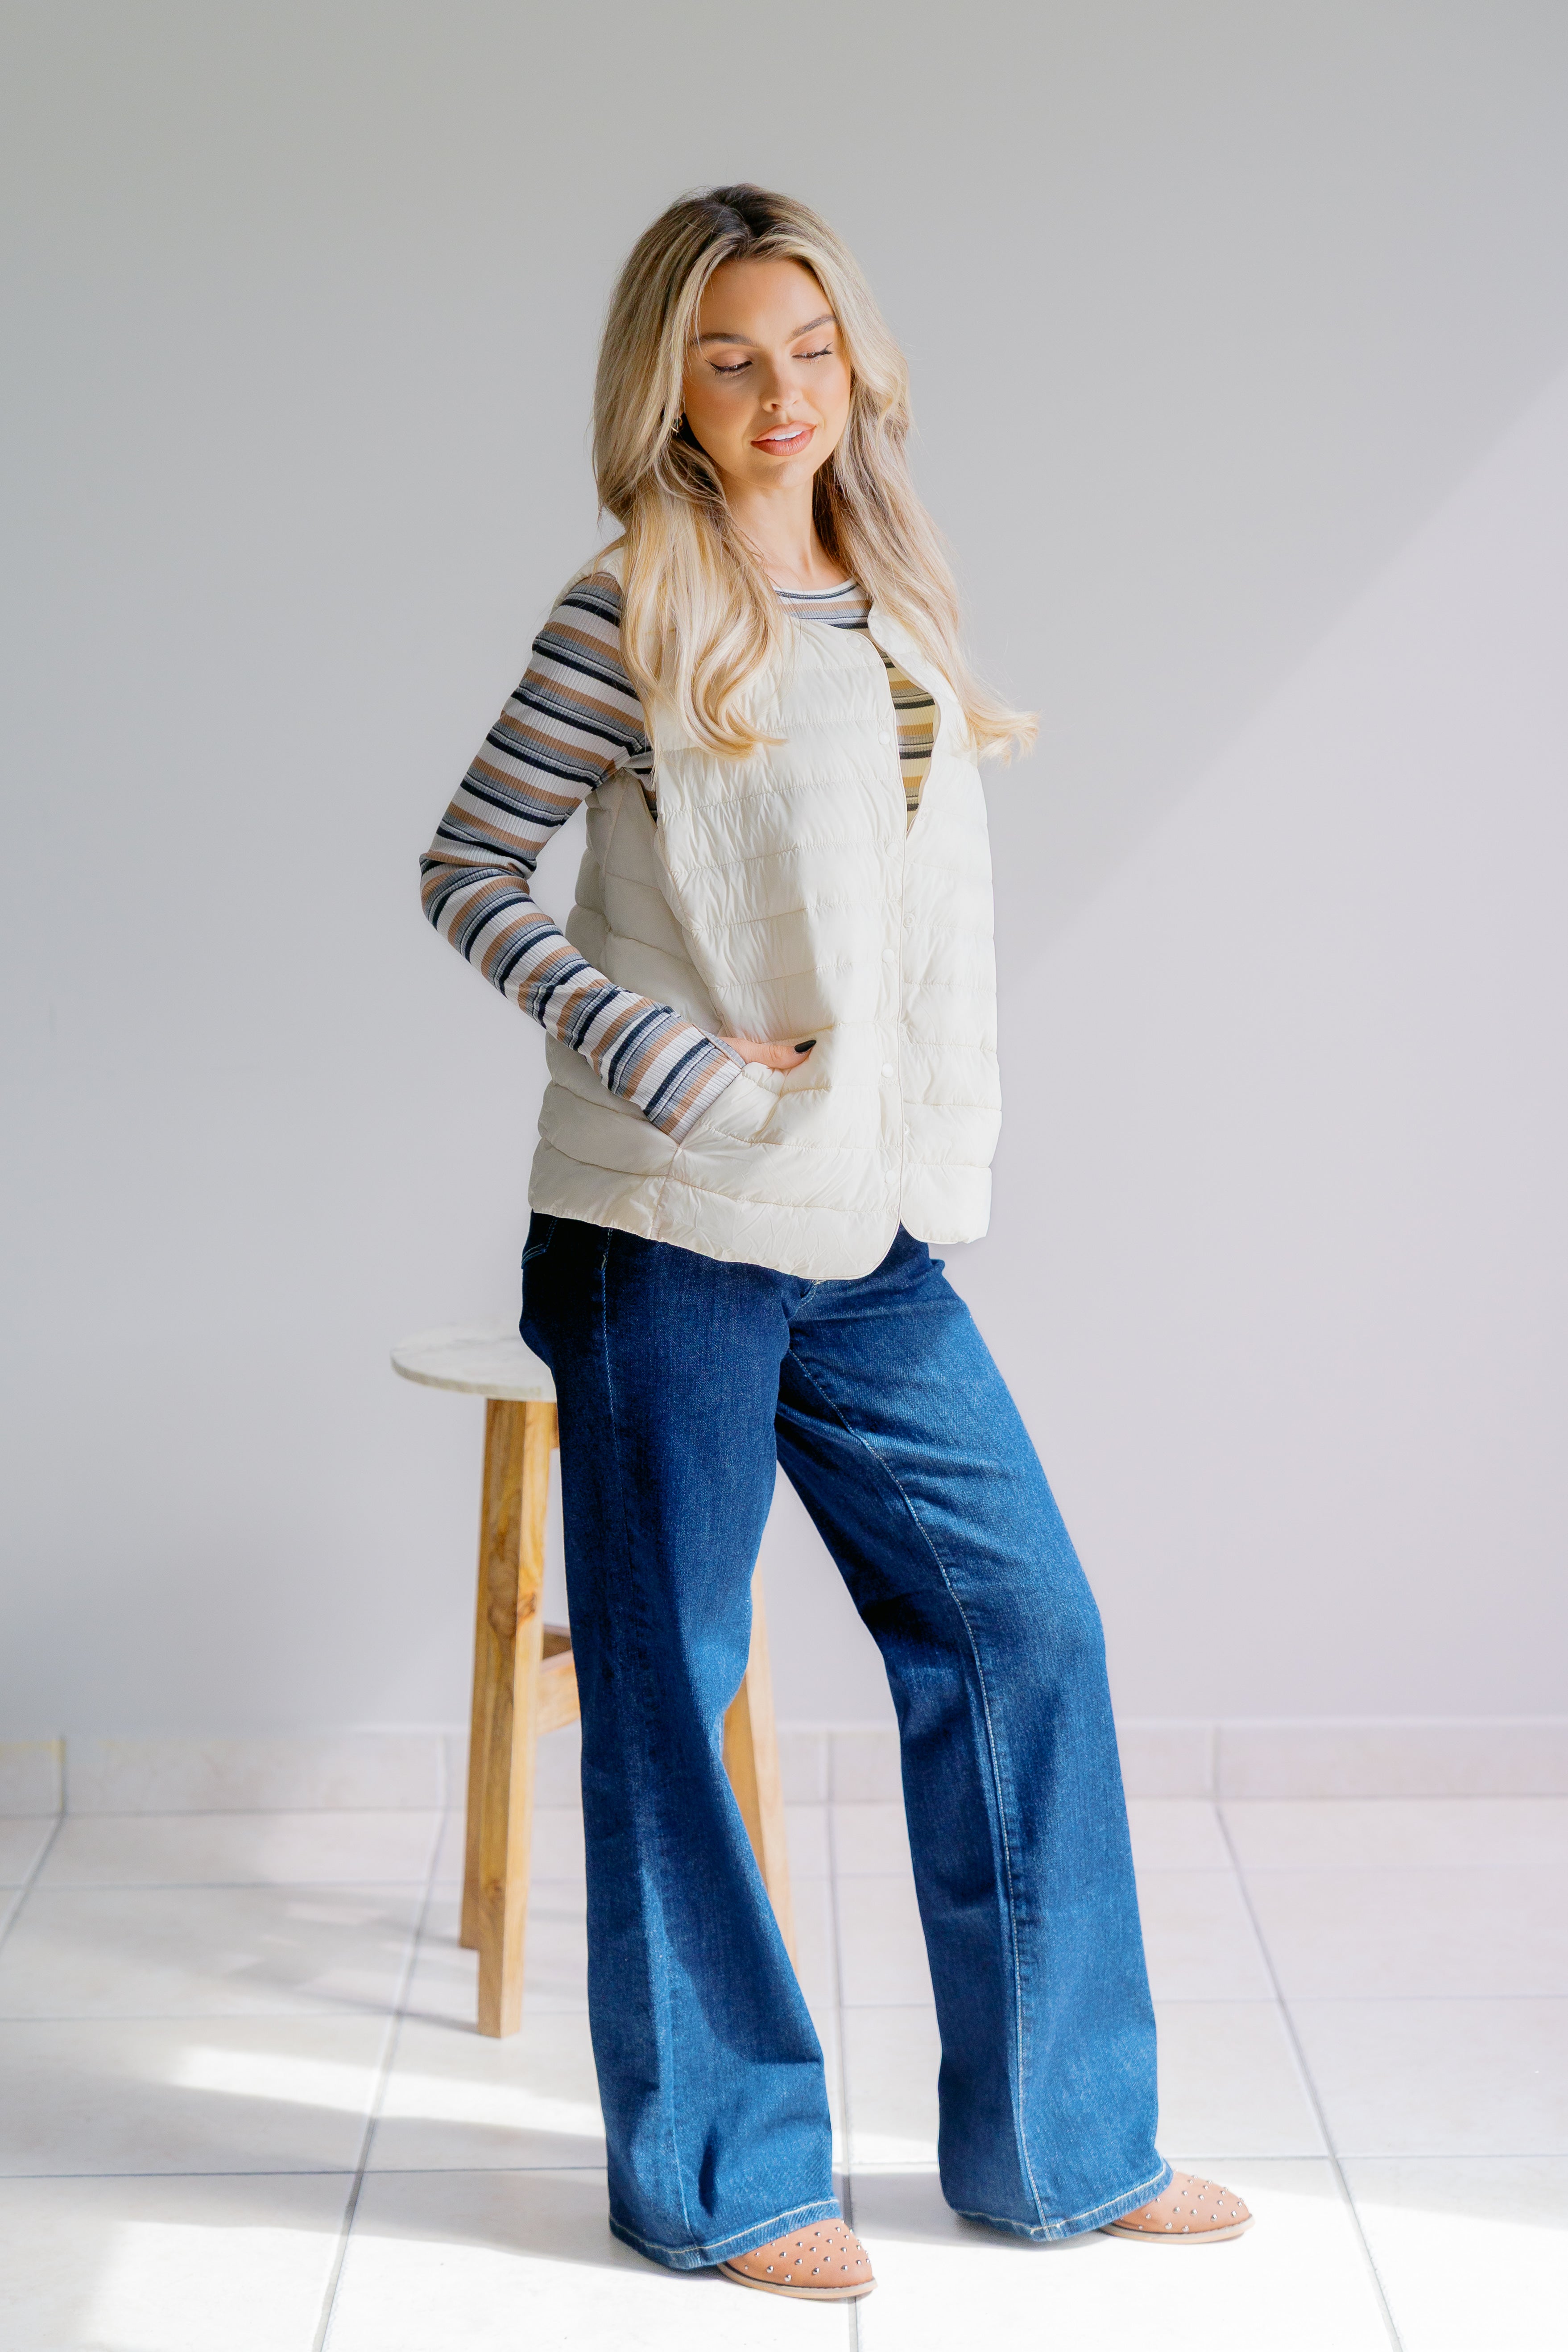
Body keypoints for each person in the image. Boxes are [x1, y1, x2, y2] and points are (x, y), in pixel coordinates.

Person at [420, 182, 1251, 2302]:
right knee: (676, 1680)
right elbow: (466, 865)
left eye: (807, 348)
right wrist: (662, 1052)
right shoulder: (627, 606)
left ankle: (1066, 2146)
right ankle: (721, 2174)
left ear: (856, 363)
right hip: (663, 1223)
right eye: (730, 358)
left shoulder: (893, 603)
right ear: (669, 391)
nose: (779, 391)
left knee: (1022, 1623)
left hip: (863, 1225)